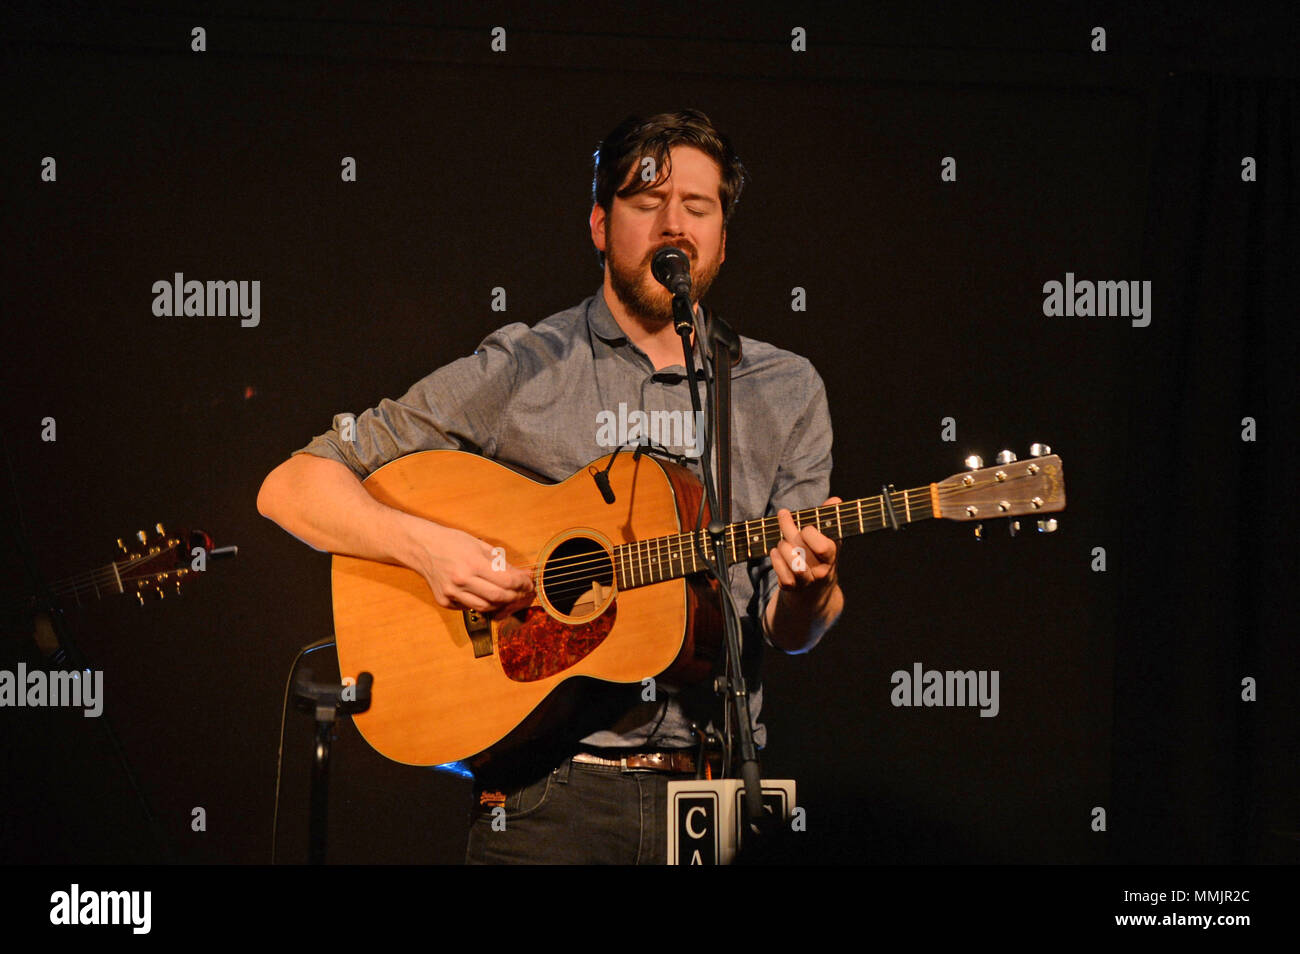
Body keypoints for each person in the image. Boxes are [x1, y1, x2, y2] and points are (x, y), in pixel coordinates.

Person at [257, 109, 845, 864]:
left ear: (724, 238)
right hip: (545, 799)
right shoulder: (523, 366)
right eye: (644, 201)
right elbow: (292, 486)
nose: (673, 225)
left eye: (697, 208)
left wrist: (807, 589)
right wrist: (430, 549)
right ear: (600, 224)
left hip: (715, 791)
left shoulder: (785, 388)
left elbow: (790, 628)